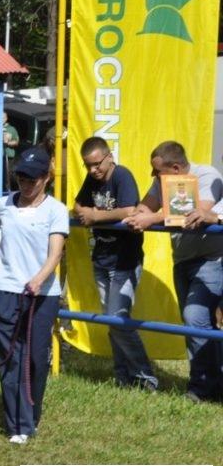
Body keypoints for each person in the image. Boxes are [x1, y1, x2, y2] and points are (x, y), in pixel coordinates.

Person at [0, 147, 67, 444]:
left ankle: (31, 414)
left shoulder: (56, 210)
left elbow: (56, 253)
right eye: (21, 178)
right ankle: (18, 425)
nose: (26, 185)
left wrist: (40, 278)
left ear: (46, 178)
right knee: (10, 359)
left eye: (32, 179)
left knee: (35, 360)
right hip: (5, 289)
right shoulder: (4, 204)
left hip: (42, 294)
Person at [125, 140, 223, 403]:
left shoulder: (207, 176)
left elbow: (196, 213)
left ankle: (200, 389)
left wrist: (151, 218)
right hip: (183, 260)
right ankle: (213, 383)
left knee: (195, 319)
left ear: (176, 168)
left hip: (211, 260)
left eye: (157, 171)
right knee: (198, 323)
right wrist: (139, 214)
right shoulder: (162, 182)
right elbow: (145, 207)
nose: (153, 176)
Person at [73, 136, 157, 391]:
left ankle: (145, 377)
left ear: (109, 157)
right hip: (101, 257)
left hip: (125, 260)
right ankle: (124, 377)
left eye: (97, 164)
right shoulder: (92, 178)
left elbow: (130, 209)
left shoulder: (122, 176)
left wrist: (95, 216)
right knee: (114, 323)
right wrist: (82, 212)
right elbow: (79, 203)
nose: (92, 170)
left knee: (117, 320)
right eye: (87, 166)